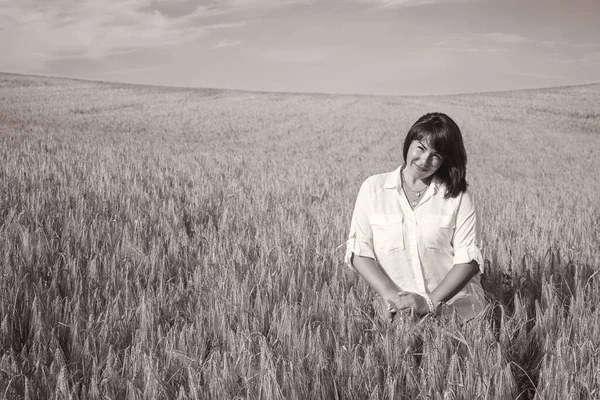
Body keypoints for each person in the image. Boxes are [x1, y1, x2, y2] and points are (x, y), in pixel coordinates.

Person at [345, 112, 488, 322]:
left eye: (436, 155)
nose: (424, 161)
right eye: (420, 148)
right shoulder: (374, 189)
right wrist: (396, 301)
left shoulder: (457, 196)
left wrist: (427, 303)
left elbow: (469, 260)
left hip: (457, 314)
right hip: (397, 317)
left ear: (445, 160)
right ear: (409, 143)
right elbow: (359, 251)